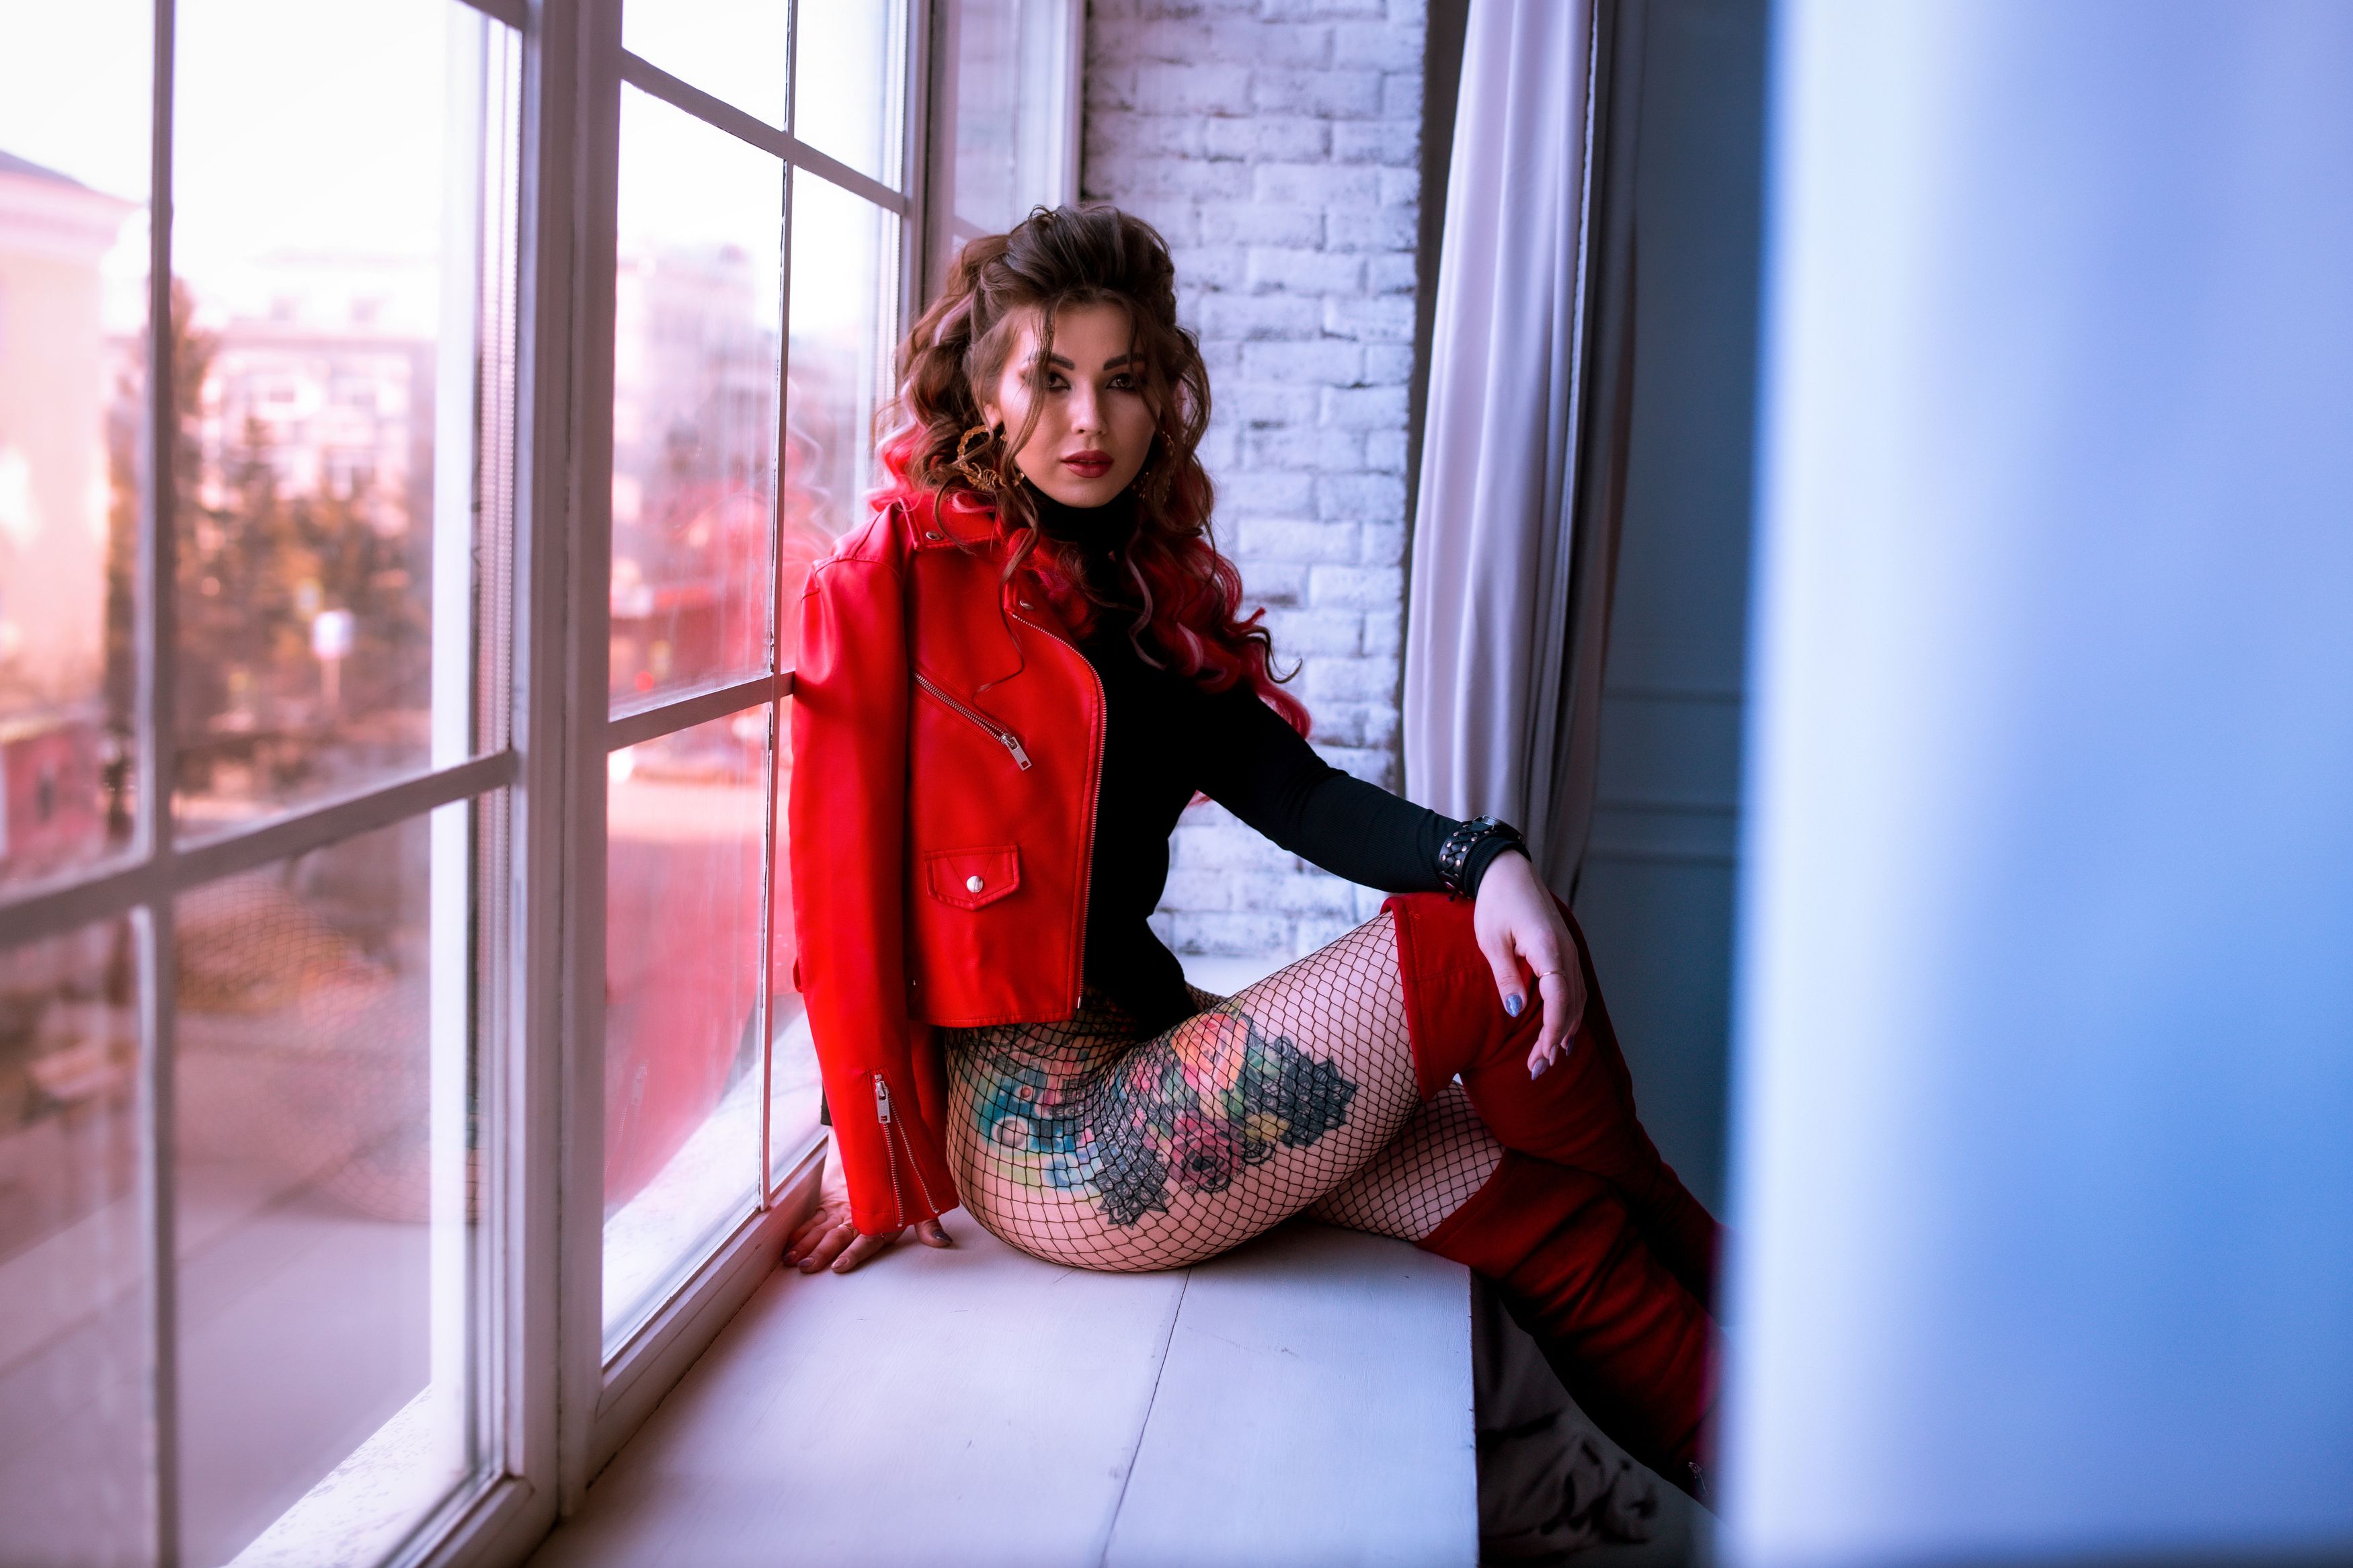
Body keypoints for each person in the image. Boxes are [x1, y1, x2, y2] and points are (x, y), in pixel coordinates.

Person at [783, 204, 1721, 1494]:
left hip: (1150, 1049)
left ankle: (1811, 1485)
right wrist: (872, 1152)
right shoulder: (893, 582)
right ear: (986, 390)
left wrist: (1487, 856)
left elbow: (1301, 796)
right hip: (1049, 1138)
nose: (1089, 420)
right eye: (1050, 380)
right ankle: (1714, 1255)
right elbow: (838, 900)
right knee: (1462, 958)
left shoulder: (1144, 595)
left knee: (1539, 1208)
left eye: (1122, 379)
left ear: (1160, 395)